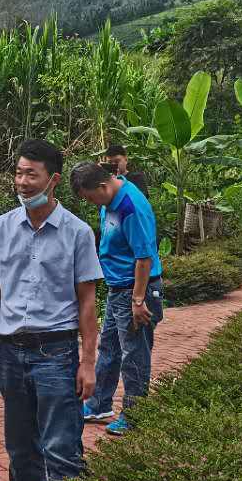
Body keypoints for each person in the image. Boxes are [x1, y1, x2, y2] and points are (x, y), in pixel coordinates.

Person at [0, 138, 103, 481]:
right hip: (12, 351)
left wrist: (87, 361)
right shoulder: (2, 227)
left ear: (54, 180)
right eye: (18, 172)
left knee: (61, 441)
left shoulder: (77, 233)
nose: (22, 181)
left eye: (32, 174)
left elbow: (87, 300)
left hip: (56, 352)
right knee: (20, 442)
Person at [69, 161, 165, 436]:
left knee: (134, 354)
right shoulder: (109, 198)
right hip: (117, 288)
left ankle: (135, 415)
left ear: (102, 186)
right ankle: (99, 403)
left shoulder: (130, 207)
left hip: (136, 291)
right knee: (109, 347)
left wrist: (138, 301)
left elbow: (144, 258)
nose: (90, 203)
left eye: (90, 198)